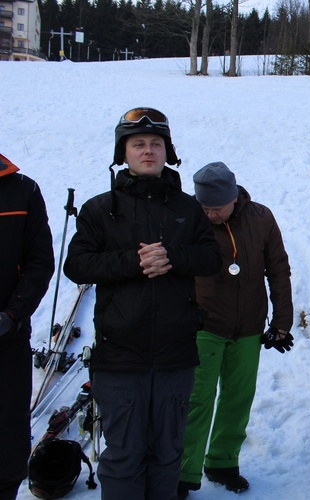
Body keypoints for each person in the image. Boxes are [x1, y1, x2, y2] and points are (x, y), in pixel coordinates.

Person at [64, 107, 222, 500]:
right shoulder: (100, 209)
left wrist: (173, 257)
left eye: (156, 144)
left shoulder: (188, 208)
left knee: (168, 451)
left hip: (175, 355)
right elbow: (77, 265)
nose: (148, 151)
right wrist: (134, 261)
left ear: (168, 151)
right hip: (120, 357)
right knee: (122, 455)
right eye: (139, 144)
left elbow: (211, 258)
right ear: (124, 153)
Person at [178, 162, 293, 498]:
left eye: (216, 208)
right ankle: (184, 472)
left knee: (238, 398)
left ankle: (223, 461)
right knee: (197, 400)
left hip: (249, 328)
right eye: (205, 207)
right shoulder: (188, 220)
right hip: (203, 326)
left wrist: (281, 323)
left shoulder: (260, 218)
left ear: (234, 198)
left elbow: (279, 269)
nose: (210, 214)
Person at [0, 153, 55, 500]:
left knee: (6, 443)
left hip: (6, 339)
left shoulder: (21, 190)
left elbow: (39, 261)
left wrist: (13, 314)